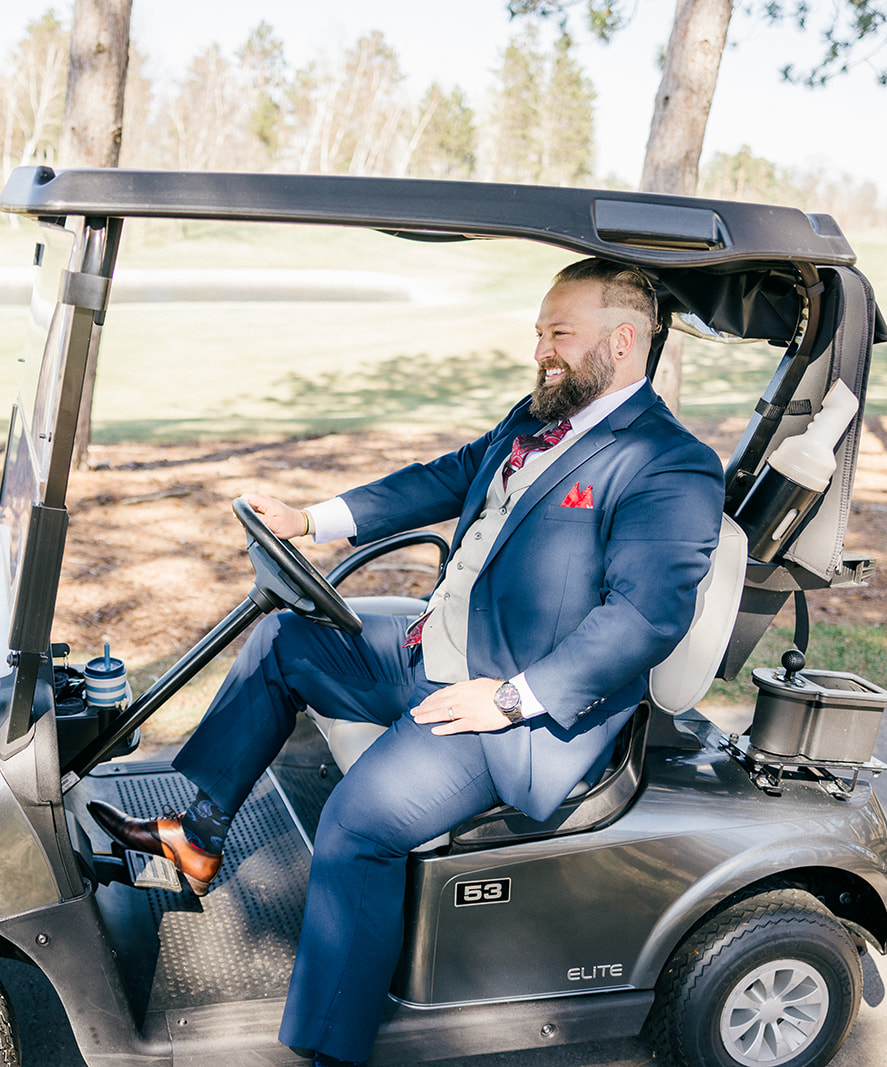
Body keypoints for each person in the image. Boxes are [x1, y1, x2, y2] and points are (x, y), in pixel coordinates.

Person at [88, 257, 725, 1067]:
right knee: (284, 640)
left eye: (560, 333)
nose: (542, 350)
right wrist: (313, 517)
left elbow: (645, 617)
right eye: (539, 331)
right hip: (432, 651)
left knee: (358, 824)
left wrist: (509, 698)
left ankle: (331, 1050)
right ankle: (197, 834)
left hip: (508, 706)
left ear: (625, 340)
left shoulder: (669, 464)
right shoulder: (540, 417)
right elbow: (449, 476)